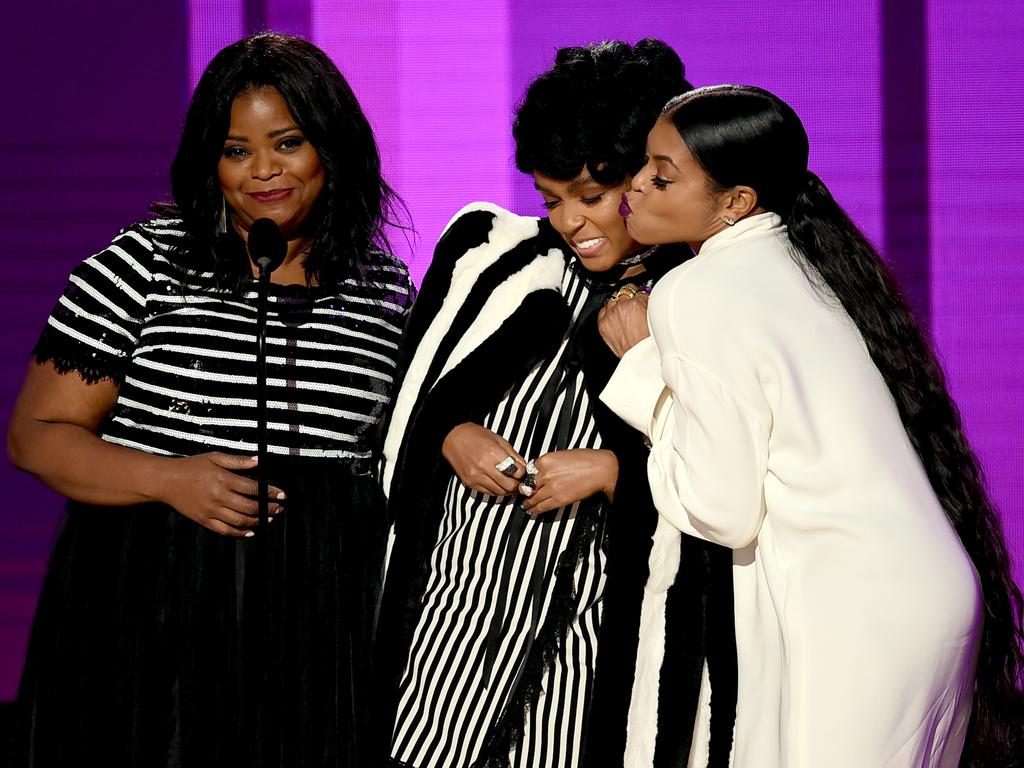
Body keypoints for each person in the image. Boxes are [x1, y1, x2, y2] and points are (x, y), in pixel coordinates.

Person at [7, 33, 414, 767]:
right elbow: (37, 434)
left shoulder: (383, 288)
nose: (263, 171)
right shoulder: (142, 262)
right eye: (236, 150)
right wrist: (170, 478)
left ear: (333, 145)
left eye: (287, 143)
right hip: (156, 602)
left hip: (321, 616)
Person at [599, 84, 1024, 767]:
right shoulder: (801, 263)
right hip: (918, 598)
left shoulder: (698, 289)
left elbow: (720, 509)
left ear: (736, 202)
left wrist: (644, 366)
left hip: (859, 610)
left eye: (663, 175)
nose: (636, 186)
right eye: (645, 164)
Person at [374, 40, 736, 768]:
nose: (570, 220)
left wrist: (612, 470)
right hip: (449, 626)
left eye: (591, 196)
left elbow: (739, 480)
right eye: (551, 199)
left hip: (586, 643)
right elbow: (405, 409)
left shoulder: (707, 297)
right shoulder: (494, 264)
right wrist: (450, 435)